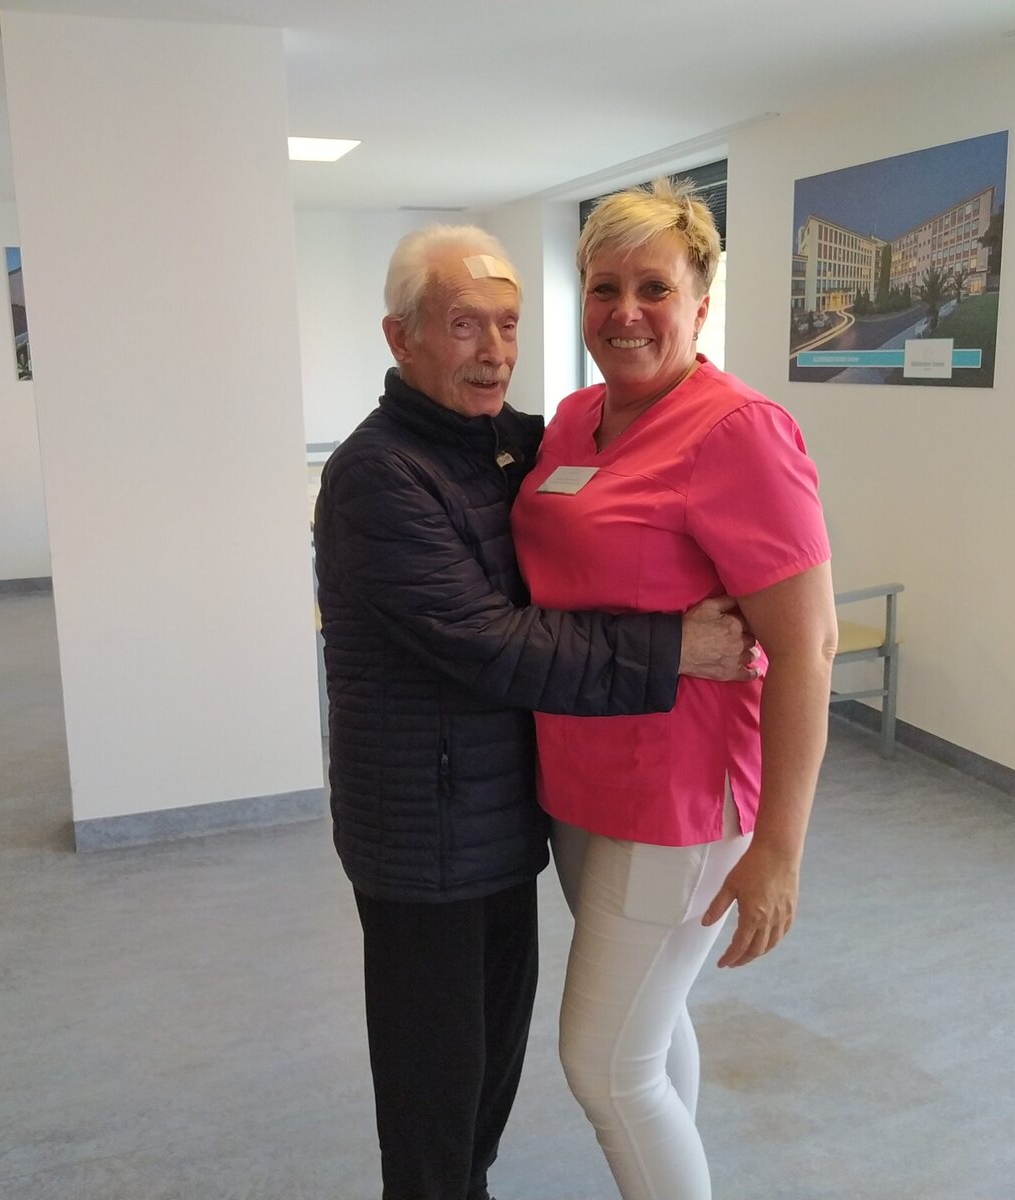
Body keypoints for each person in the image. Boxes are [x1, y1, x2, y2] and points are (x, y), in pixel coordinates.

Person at [312, 224, 756, 1200]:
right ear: (400, 338)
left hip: (507, 818)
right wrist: (675, 647)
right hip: (422, 837)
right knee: (435, 1098)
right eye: (463, 325)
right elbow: (491, 642)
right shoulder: (375, 477)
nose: (493, 351)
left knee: (486, 1085)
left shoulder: (518, 443)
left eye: (508, 325)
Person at [510, 180, 838, 1200]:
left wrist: (779, 848)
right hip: (580, 779)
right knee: (648, 1033)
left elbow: (809, 647)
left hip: (680, 797)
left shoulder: (739, 431)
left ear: (700, 301)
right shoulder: (575, 419)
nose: (626, 312)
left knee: (604, 1065)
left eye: (654, 287)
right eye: (603, 287)